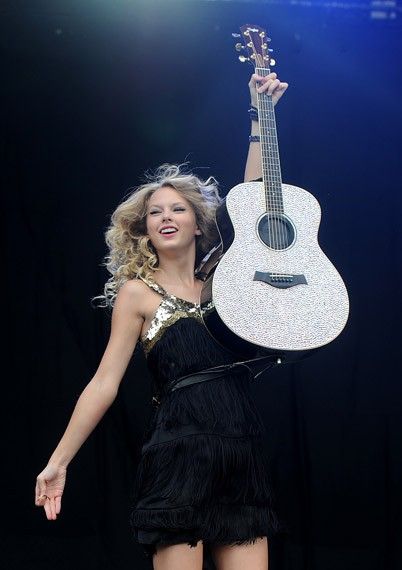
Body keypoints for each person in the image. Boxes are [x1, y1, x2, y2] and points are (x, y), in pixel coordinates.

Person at [35, 72, 289, 570]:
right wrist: (58, 461)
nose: (166, 217)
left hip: (241, 453)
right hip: (180, 457)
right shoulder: (137, 293)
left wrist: (261, 116)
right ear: (145, 229)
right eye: (155, 212)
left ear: (199, 222)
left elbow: (255, 195)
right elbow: (104, 383)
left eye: (177, 209)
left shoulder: (226, 279)